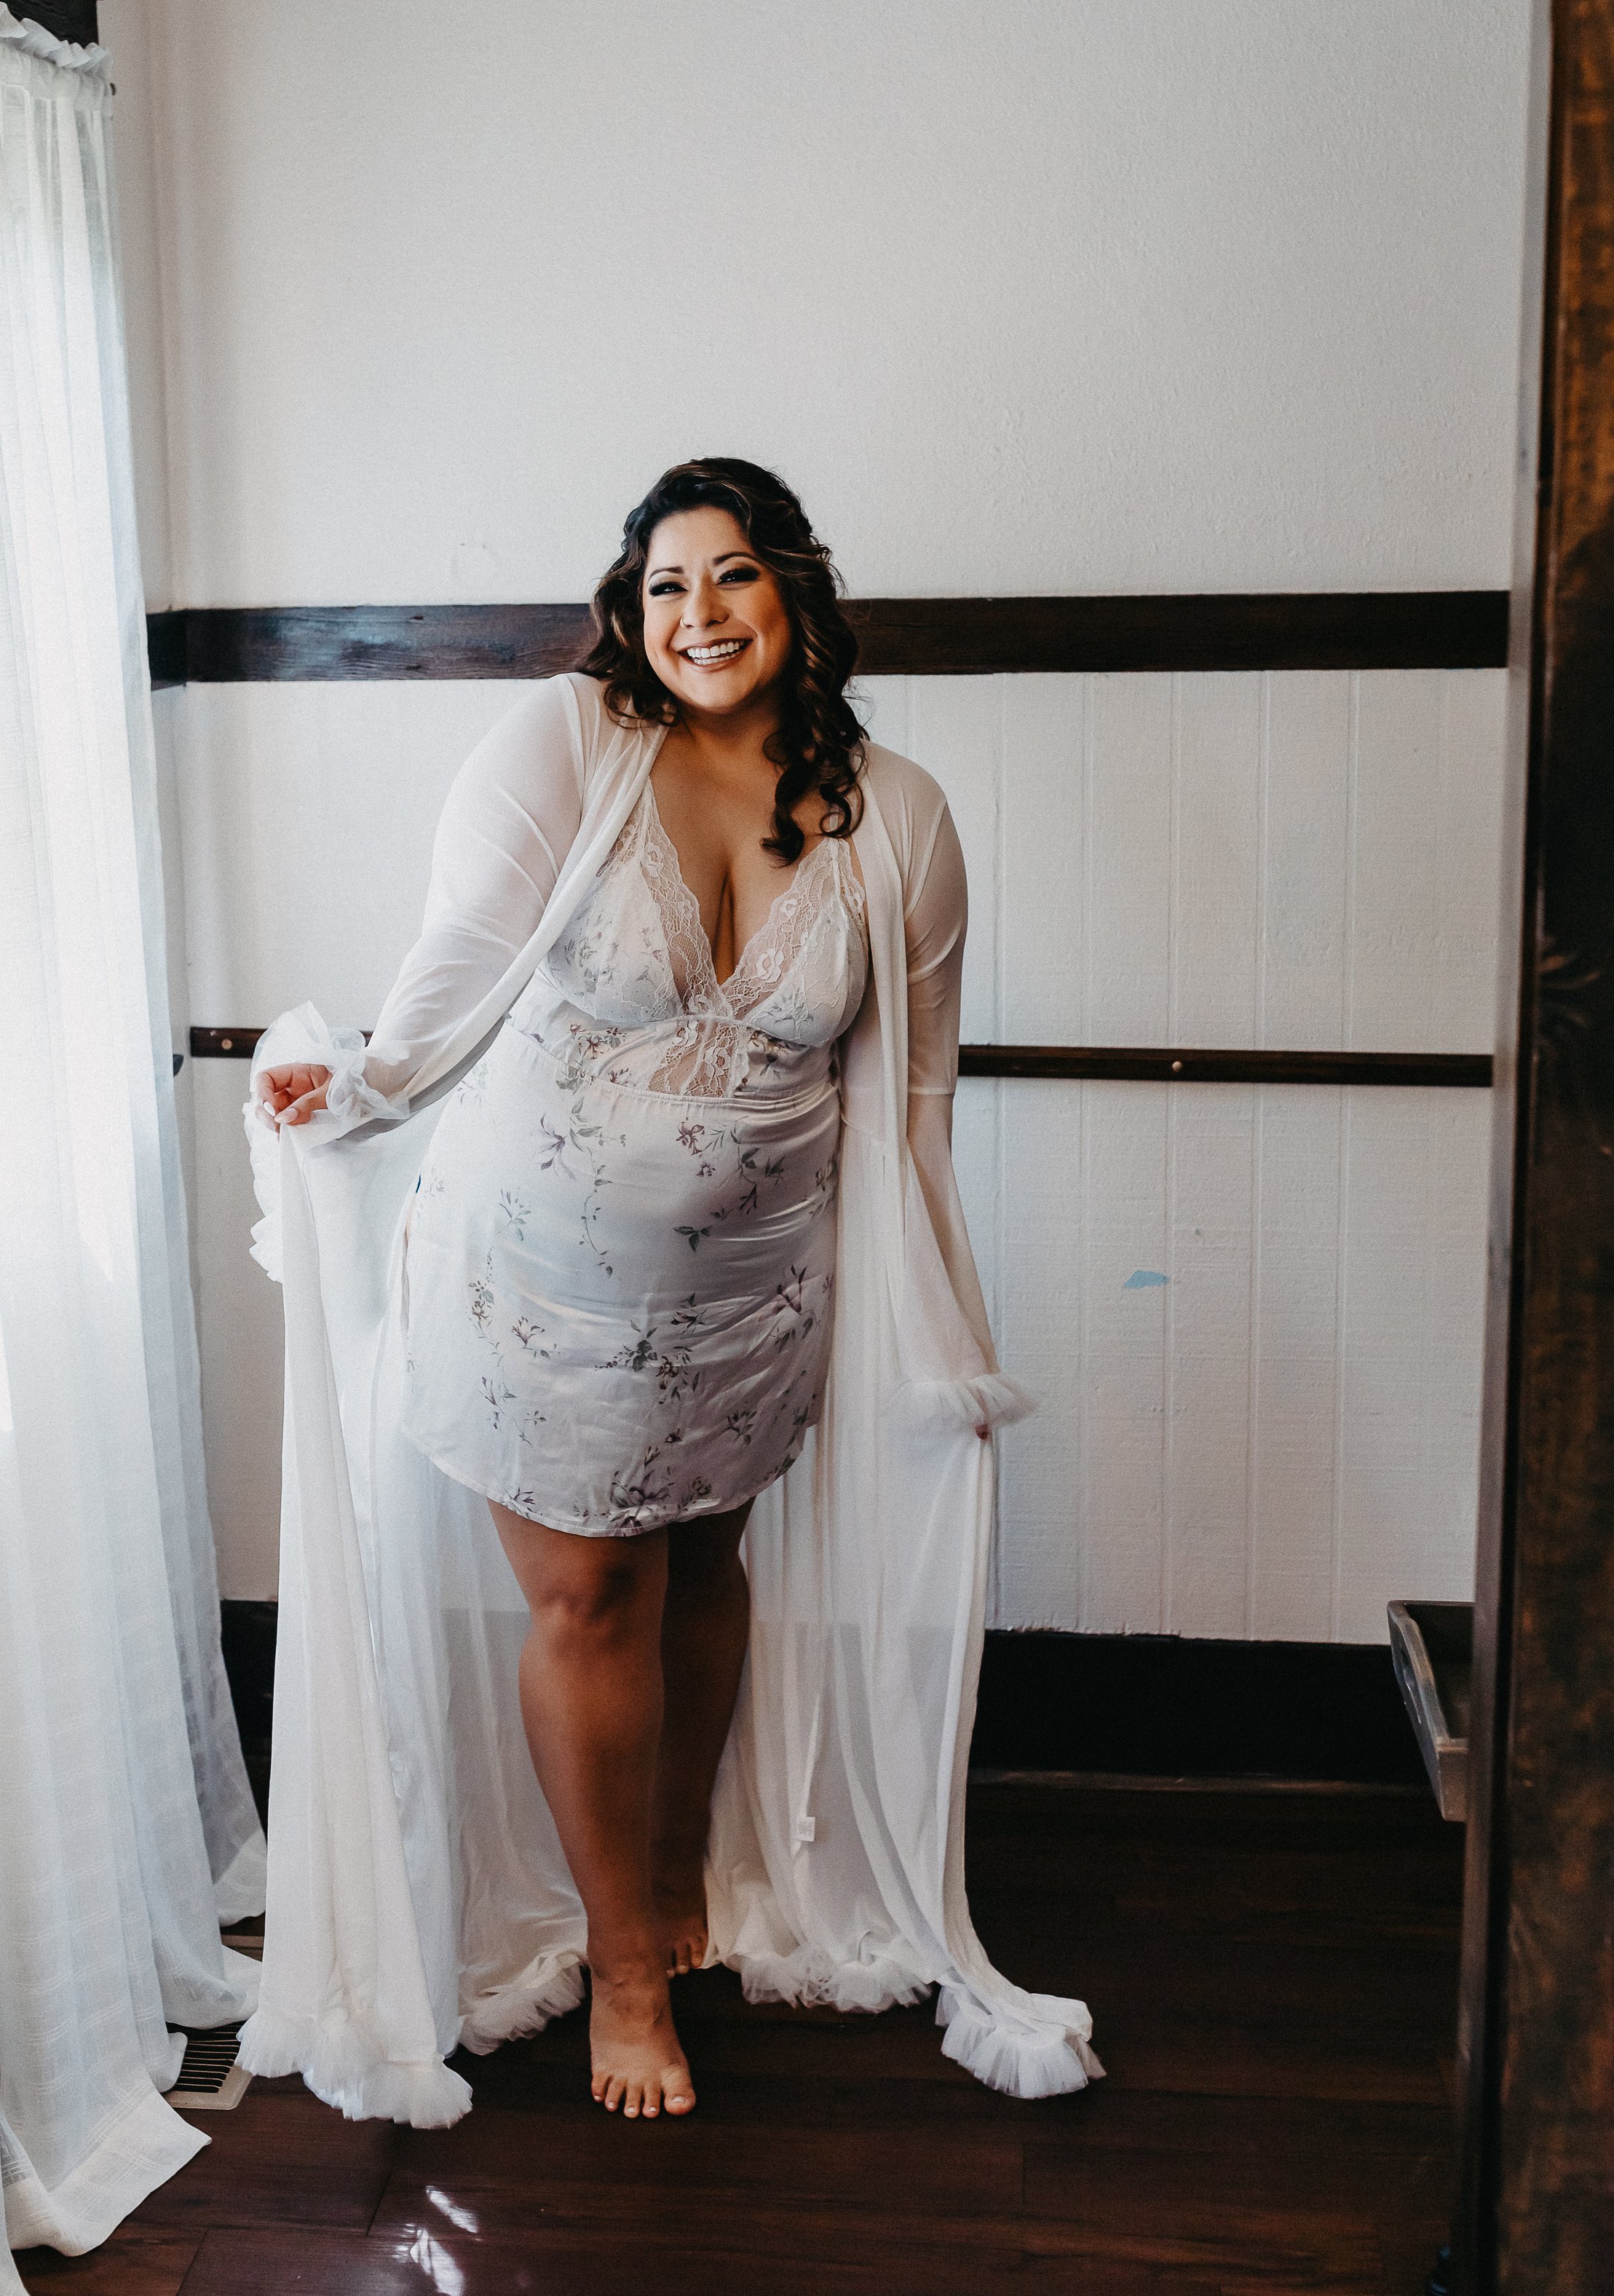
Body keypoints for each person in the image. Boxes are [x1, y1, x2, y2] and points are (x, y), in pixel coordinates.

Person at [243, 460, 1099, 2127]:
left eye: (730, 577)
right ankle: (623, 1967)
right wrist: (351, 1089)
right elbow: (450, 977)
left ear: (792, 594)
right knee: (589, 1599)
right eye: (663, 587)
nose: (695, 614)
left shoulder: (898, 817)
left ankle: (668, 1858)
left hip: (751, 1302)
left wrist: (938, 1340)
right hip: (531, 1293)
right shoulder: (565, 748)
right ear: (630, 615)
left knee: (702, 1565)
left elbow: (910, 1114)